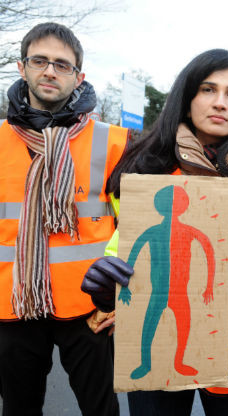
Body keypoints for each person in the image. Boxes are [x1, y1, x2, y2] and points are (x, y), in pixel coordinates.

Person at [81, 48, 228, 416]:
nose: (219, 103)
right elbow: (124, 250)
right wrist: (107, 291)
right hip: (157, 361)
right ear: (186, 101)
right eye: (207, 90)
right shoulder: (142, 175)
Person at [0, 22, 127, 415]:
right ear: (23, 68)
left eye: (62, 64)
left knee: (101, 409)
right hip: (12, 304)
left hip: (91, 308)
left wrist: (125, 298)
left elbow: (136, 229)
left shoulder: (114, 141)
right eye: (40, 61)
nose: (50, 71)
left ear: (79, 76)